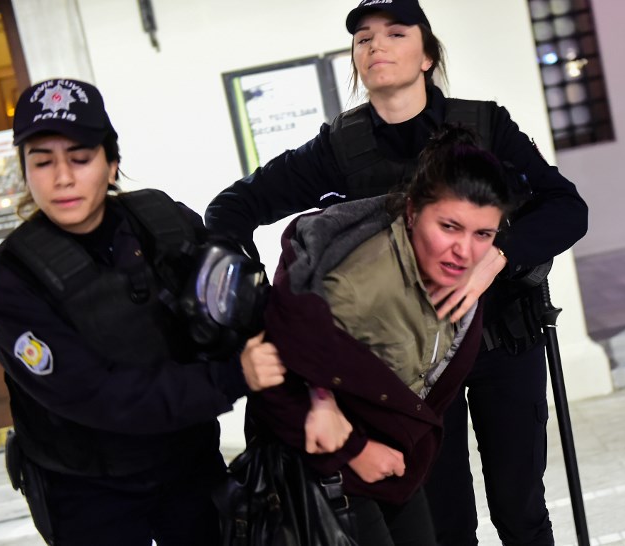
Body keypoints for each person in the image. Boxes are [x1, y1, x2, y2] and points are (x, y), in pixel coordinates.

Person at [206, 1, 589, 544]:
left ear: (428, 55)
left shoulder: (484, 126)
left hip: (502, 342)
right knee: (446, 525)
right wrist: (261, 304)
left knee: (520, 509)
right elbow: (230, 209)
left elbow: (567, 208)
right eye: (363, 38)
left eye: (395, 33)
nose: (376, 45)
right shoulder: (340, 147)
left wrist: (497, 257)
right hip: (408, 372)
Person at [0, 78, 288, 546]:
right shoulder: (10, 280)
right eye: (42, 162)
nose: (62, 178)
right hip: (85, 488)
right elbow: (96, 394)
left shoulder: (163, 223)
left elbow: (246, 307)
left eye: (80, 158)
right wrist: (230, 376)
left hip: (187, 465)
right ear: (25, 172)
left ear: (112, 163)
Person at [248, 125, 519, 546]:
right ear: (411, 212)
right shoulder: (356, 287)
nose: (465, 251)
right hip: (327, 470)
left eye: (483, 234)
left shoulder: (461, 272)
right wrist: (354, 450)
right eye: (449, 227)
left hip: (390, 464)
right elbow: (272, 381)